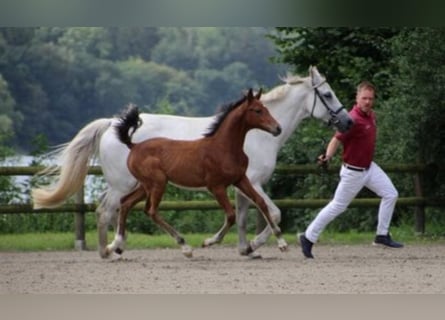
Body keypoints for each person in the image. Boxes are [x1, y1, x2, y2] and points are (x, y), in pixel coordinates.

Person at [299, 81, 403, 259]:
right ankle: (308, 237)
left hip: (369, 168)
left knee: (390, 194)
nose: (367, 102)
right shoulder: (352, 119)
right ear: (357, 98)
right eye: (364, 98)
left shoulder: (371, 116)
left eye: (370, 98)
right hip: (353, 172)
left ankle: (382, 235)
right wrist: (327, 156)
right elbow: (336, 139)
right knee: (337, 206)